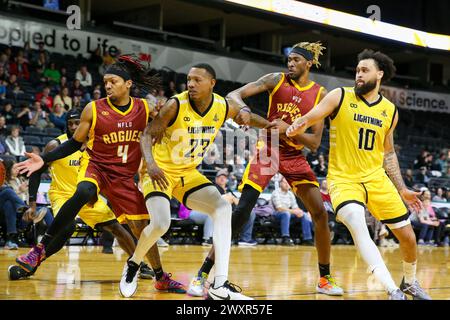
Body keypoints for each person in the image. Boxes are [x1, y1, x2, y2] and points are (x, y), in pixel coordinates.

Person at [13, 55, 185, 293]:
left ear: (128, 84)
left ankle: (160, 276)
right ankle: (39, 250)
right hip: (97, 167)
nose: (107, 86)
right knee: (84, 190)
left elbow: (165, 128)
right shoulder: (93, 109)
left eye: (113, 81)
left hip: (124, 178)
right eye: (105, 82)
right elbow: (74, 143)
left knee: (143, 227)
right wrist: (45, 158)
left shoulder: (145, 107)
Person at [189, 42, 343, 297]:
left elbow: (315, 144)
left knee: (320, 214)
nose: (290, 64)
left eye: (295, 60)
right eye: (288, 60)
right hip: (269, 148)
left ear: (308, 63)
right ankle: (203, 273)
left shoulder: (320, 94)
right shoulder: (275, 79)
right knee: (243, 209)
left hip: (294, 155)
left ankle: (325, 278)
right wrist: (246, 109)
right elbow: (234, 96)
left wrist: (291, 130)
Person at [286, 49, 431, 300]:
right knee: (356, 219)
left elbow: (388, 153)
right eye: (357, 71)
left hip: (376, 179)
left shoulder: (390, 111)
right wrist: (300, 122)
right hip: (344, 179)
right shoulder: (340, 96)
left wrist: (402, 188)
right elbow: (314, 115)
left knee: (408, 237)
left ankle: (409, 281)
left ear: (380, 74)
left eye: (365, 70)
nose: (359, 75)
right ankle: (392, 289)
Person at [121, 63, 269, 300]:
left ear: (212, 83)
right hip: (160, 172)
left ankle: (220, 285)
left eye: (197, 80)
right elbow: (148, 134)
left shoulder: (222, 106)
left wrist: (270, 125)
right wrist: (150, 164)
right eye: (189, 79)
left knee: (223, 208)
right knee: (160, 224)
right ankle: (133, 263)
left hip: (188, 173)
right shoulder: (175, 104)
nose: (191, 84)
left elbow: (248, 119)